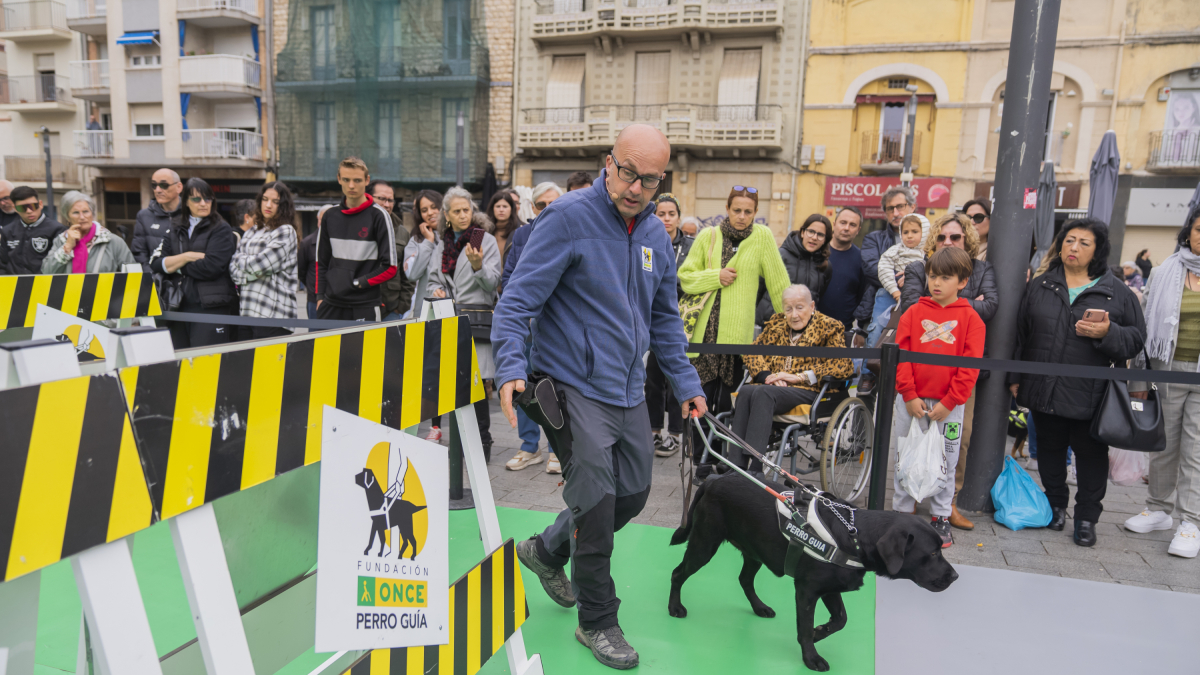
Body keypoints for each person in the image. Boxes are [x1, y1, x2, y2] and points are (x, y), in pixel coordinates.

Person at [493, 124, 706, 669]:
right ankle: (597, 620)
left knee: (632, 494)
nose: (636, 187)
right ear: (608, 162)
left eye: (649, 179)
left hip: (628, 390)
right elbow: (517, 301)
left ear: (662, 180)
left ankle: (546, 550)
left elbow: (664, 319)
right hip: (571, 386)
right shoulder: (567, 218)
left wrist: (686, 384)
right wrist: (510, 366)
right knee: (595, 503)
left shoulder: (655, 233)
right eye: (628, 172)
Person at [1010, 219, 1146, 548]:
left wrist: (1108, 333)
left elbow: (1136, 339)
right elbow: (1020, 334)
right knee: (1049, 448)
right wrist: (1015, 377)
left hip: (1093, 392)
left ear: (1098, 251)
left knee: (1090, 453)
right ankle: (1055, 505)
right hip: (1043, 385)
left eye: (1084, 243)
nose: (1074, 247)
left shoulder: (1117, 292)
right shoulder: (1041, 285)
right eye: (1069, 240)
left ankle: (1086, 518)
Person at [678, 184, 789, 477]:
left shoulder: (762, 237)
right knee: (700, 400)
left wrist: (792, 321)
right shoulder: (708, 235)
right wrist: (716, 276)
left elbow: (778, 283)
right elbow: (686, 277)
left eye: (748, 212)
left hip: (736, 340)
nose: (741, 216)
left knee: (729, 404)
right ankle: (700, 462)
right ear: (727, 209)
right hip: (703, 337)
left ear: (755, 213)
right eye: (736, 210)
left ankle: (725, 462)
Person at [898, 213, 997, 530]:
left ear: (963, 282)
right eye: (932, 276)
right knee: (905, 453)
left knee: (947, 458)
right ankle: (902, 512)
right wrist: (909, 394)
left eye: (945, 277)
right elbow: (901, 356)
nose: (937, 283)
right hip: (911, 400)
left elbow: (969, 368)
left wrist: (950, 402)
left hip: (949, 404)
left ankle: (941, 514)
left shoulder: (972, 319)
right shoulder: (913, 312)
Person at [1125, 209, 1200, 558]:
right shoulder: (1164, 271)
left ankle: (1191, 521)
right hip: (1166, 367)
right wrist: (1139, 377)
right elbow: (1144, 328)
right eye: (1199, 229)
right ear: (1188, 233)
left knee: (1195, 450)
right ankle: (1158, 509)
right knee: (1163, 443)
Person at [734, 284, 854, 471]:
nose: (794, 315)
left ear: (811, 306)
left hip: (809, 390)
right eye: (788, 309)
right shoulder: (776, 324)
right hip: (775, 387)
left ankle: (756, 469)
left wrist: (799, 377)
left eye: (799, 307)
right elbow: (752, 352)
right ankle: (735, 466)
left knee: (763, 393)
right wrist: (768, 376)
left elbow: (843, 364)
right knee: (747, 390)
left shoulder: (829, 327)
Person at [426, 187, 500, 462]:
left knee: (476, 384)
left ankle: (483, 441)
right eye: (456, 211)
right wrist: (435, 290)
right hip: (447, 320)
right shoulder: (442, 243)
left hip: (475, 321)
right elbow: (433, 279)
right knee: (452, 383)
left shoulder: (483, 239)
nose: (462, 215)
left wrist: (478, 266)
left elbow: (493, 284)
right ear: (446, 215)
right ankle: (459, 442)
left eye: (466, 210)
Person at [150, 178, 239, 348]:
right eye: (197, 199)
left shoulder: (221, 228)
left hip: (211, 306)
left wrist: (175, 266)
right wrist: (187, 256)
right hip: (177, 305)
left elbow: (211, 267)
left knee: (207, 360)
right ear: (186, 202)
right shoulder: (176, 227)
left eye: (208, 199)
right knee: (180, 360)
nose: (203, 203)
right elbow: (156, 262)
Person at [314, 157, 396, 322]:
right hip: (331, 304)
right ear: (339, 179)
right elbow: (321, 263)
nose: (351, 185)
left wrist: (358, 283)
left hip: (365, 305)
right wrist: (320, 297)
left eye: (357, 180)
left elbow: (390, 267)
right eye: (346, 180)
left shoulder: (379, 216)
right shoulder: (329, 216)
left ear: (367, 180)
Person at [646, 193, 693, 457]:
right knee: (653, 379)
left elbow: (692, 280)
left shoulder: (691, 246)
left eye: (671, 214)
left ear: (678, 217)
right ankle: (653, 430)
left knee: (676, 378)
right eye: (661, 214)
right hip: (654, 319)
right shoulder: (648, 241)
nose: (666, 219)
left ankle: (675, 434)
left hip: (683, 321)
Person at [229, 181, 299, 340]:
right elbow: (232, 268)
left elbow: (261, 265)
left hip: (273, 314)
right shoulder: (252, 231)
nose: (268, 205)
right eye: (265, 199)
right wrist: (251, 271)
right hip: (247, 311)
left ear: (283, 205)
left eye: (275, 201)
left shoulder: (285, 231)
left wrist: (243, 265)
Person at [757, 214, 832, 325]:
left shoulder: (825, 266)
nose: (814, 237)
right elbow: (759, 288)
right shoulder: (779, 255)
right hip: (770, 323)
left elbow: (818, 296)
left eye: (820, 235)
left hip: (801, 326)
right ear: (802, 233)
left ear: (825, 240)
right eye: (811, 232)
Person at [862, 186, 915, 341]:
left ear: (912, 207)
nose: (895, 213)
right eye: (890, 209)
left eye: (900, 206)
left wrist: (912, 278)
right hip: (880, 302)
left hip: (916, 301)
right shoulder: (873, 239)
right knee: (876, 346)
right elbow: (871, 269)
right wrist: (907, 279)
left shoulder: (927, 239)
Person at [41, 191, 135, 274]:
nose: (82, 217)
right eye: (76, 212)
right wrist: (67, 247)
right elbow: (46, 272)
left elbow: (133, 275)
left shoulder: (114, 242)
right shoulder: (61, 241)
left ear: (92, 214)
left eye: (86, 211)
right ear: (68, 218)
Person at [368, 179, 416, 321]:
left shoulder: (402, 232)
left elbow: (408, 274)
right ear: (368, 198)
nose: (387, 205)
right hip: (362, 305)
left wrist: (401, 306)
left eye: (390, 200)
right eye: (382, 199)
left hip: (391, 310)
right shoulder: (358, 227)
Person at [1, 186, 67, 275]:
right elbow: (2, 264)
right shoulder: (7, 231)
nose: (29, 211)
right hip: (13, 283)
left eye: (33, 206)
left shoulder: (57, 229)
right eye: (22, 208)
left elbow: (60, 264)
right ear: (15, 208)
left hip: (45, 282)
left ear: (40, 204)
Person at [132, 168, 184, 267]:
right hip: (154, 275)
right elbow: (139, 255)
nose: (158, 190)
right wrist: (151, 275)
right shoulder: (143, 216)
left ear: (179, 187)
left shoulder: (191, 214)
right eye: (154, 185)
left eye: (164, 185)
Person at [878, 214, 929, 303]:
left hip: (920, 296)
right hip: (893, 293)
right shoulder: (896, 250)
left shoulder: (929, 253)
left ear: (925, 232)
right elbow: (884, 269)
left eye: (914, 231)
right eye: (905, 232)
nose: (909, 236)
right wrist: (894, 291)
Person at [296, 205, 329, 319]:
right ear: (317, 219)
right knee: (315, 329)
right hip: (314, 299)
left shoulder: (339, 243)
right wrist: (311, 286)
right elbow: (301, 271)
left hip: (335, 299)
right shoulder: (307, 243)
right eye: (322, 219)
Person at [486, 190, 522, 271]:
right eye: (498, 206)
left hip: (511, 276)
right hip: (488, 277)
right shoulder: (485, 231)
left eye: (505, 206)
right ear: (492, 208)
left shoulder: (520, 231)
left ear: (511, 209)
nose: (501, 210)